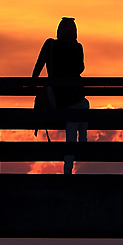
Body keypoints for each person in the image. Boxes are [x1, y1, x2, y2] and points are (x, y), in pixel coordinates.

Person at [32, 17, 87, 174]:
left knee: (70, 130)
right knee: (84, 107)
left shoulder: (50, 45)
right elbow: (80, 68)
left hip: (57, 98)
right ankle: (83, 140)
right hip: (75, 98)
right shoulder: (78, 47)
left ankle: (67, 170)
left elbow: (38, 67)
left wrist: (32, 85)